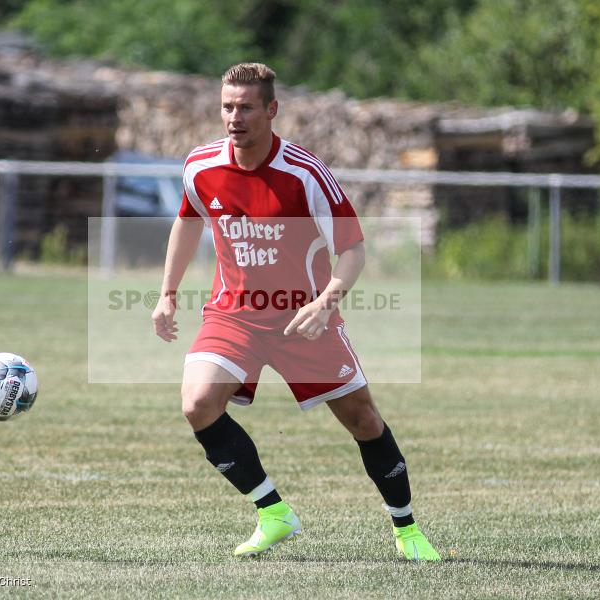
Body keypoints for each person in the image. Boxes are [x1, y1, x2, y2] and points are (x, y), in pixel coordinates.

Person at [150, 62, 440, 561]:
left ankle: (407, 530)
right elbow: (188, 222)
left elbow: (353, 249)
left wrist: (327, 302)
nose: (233, 117)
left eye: (245, 107)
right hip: (233, 315)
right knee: (197, 404)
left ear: (271, 110)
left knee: (363, 420)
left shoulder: (303, 174)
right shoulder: (200, 166)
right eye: (227, 107)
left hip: (302, 320)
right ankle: (273, 512)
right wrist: (167, 292)